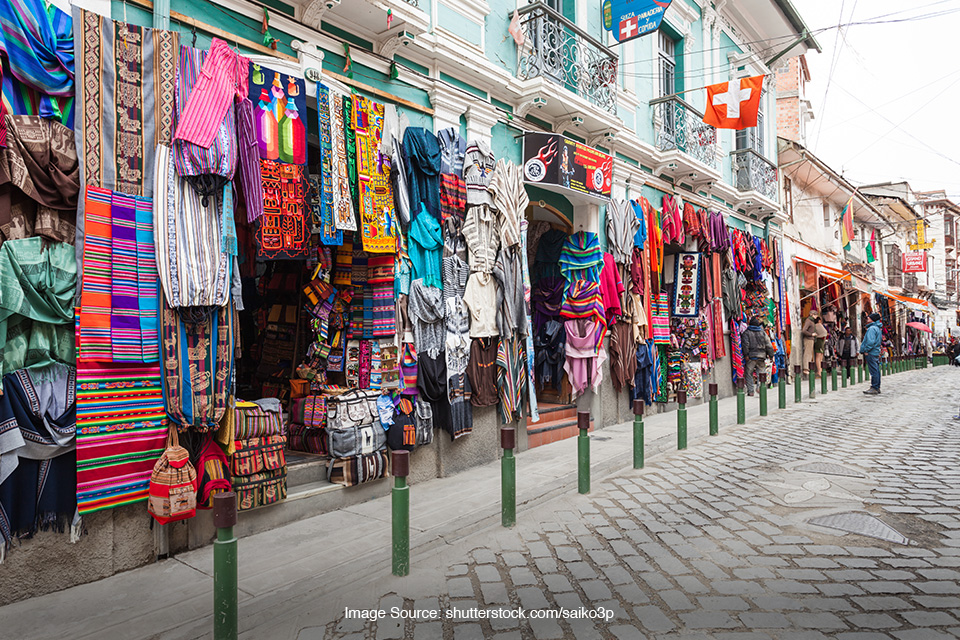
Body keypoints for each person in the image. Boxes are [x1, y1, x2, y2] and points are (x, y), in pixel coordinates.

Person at [741, 317, 775, 396]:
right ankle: (760, 387)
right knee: (761, 372)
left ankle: (751, 391)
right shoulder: (763, 333)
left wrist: (746, 354)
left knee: (748, 373)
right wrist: (771, 355)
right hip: (761, 356)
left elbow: (745, 345)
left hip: (751, 356)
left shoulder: (746, 332)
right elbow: (768, 345)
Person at [860, 312, 883, 395]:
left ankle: (874, 387)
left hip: (871, 352)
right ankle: (876, 386)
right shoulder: (877, 328)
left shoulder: (872, 329)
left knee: (873, 370)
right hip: (875, 351)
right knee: (876, 370)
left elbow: (870, 341)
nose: (867, 319)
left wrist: (866, 350)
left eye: (869, 318)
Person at [801, 310, 820, 375]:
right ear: (812, 314)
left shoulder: (811, 321)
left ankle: (807, 368)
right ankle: (805, 368)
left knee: (809, 354)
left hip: (811, 339)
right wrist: (811, 334)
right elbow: (804, 330)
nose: (816, 316)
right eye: (815, 315)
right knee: (807, 353)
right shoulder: (808, 321)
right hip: (808, 339)